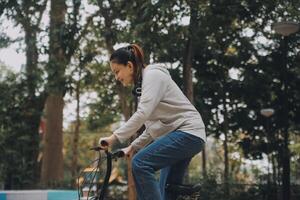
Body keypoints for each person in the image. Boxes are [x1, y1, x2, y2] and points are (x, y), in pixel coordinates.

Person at [99, 44, 206, 200]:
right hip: (187, 136)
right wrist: (132, 146)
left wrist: (114, 137)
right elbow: (151, 128)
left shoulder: (153, 75)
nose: (117, 77)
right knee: (166, 191)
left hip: (187, 133)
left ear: (129, 66)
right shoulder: (145, 86)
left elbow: (142, 113)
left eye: (117, 72)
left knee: (140, 163)